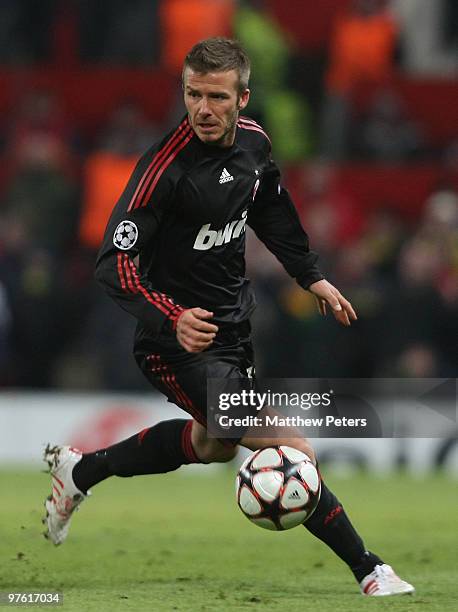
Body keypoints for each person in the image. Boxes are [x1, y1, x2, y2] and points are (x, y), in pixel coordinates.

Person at [43, 37, 414, 597]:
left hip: (232, 332)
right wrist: (171, 319)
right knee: (291, 450)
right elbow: (112, 263)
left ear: (243, 97)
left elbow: (273, 211)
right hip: (174, 344)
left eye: (217, 96)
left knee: (214, 444)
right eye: (193, 94)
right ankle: (371, 569)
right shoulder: (162, 171)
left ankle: (81, 472)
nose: (203, 109)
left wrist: (310, 275)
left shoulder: (254, 147)